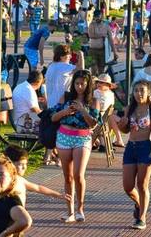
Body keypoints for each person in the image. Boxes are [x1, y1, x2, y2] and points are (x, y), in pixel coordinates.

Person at [51, 70, 100, 223]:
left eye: (82, 84)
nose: (79, 87)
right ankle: (70, 210)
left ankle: (80, 209)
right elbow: (53, 117)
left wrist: (83, 110)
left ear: (88, 85)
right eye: (77, 83)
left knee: (78, 175)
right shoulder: (66, 97)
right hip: (64, 136)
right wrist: (65, 112)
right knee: (68, 176)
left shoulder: (93, 101)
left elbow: (93, 123)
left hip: (82, 137)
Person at [119, 80, 151, 230]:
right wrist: (122, 123)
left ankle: (142, 218)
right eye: (136, 90)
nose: (139, 93)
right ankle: (139, 204)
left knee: (142, 185)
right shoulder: (129, 109)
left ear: (148, 92)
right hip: (131, 148)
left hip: (146, 147)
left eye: (142, 90)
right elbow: (124, 130)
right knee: (127, 186)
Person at [94, 73, 125, 148]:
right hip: (97, 117)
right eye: (98, 82)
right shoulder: (95, 92)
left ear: (108, 85)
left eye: (101, 82)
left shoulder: (110, 94)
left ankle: (118, 139)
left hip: (106, 118)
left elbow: (110, 108)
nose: (99, 84)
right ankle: (117, 140)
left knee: (112, 117)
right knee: (111, 117)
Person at [11, 70, 46, 134]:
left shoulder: (21, 86)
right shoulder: (29, 90)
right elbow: (35, 110)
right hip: (23, 123)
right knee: (50, 123)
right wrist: (46, 114)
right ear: (38, 82)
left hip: (20, 119)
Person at [87, 9, 118, 75]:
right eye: (96, 16)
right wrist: (102, 35)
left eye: (98, 16)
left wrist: (114, 52)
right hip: (93, 50)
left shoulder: (106, 26)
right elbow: (91, 35)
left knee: (101, 70)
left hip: (103, 50)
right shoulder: (92, 25)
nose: (97, 18)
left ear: (101, 16)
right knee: (94, 69)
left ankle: (99, 82)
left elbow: (111, 40)